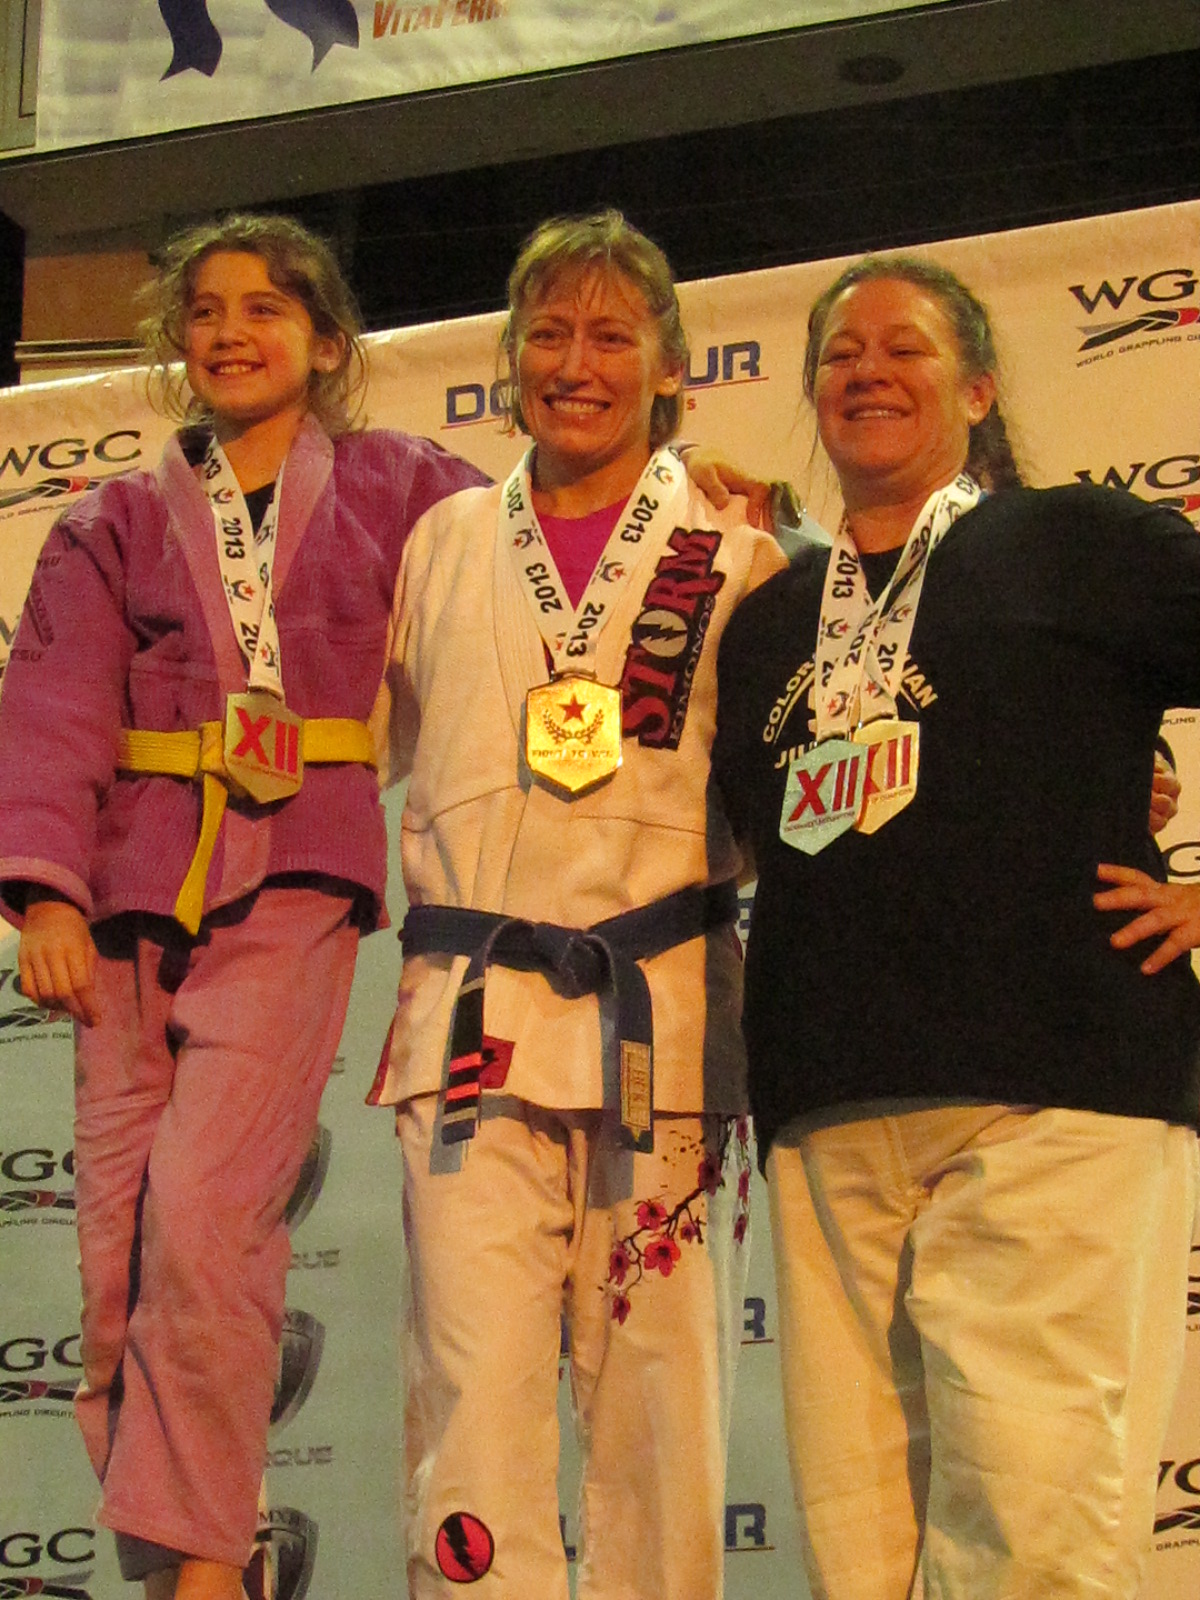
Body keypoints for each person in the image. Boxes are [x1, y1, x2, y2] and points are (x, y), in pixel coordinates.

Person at [0, 214, 488, 1600]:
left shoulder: (407, 485)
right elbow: (50, 699)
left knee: (208, 1227)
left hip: (294, 876)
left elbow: (537, 558)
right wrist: (41, 890)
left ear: (327, 343)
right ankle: (187, 1570)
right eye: (205, 310)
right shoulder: (114, 516)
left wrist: (713, 505)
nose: (229, 332)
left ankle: (210, 1577)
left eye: (265, 310)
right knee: (115, 1271)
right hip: (125, 896)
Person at [711, 254, 1200, 1600]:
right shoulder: (764, 628)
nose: (868, 368)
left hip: (1053, 1095)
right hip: (826, 1118)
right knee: (864, 1554)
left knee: (1032, 1539)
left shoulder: (1081, 541)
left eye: (906, 349)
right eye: (840, 351)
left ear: (979, 387)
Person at [369, 209, 785, 1599]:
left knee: (659, 1405)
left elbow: (832, 759)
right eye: (548, 331)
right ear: (507, 358)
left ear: (674, 366)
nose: (577, 360)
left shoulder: (736, 548)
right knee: (471, 1394)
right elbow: (332, 748)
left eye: (614, 333)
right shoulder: (435, 545)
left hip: (657, 1018)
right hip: (470, 1027)